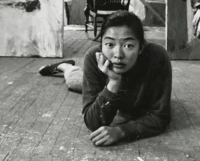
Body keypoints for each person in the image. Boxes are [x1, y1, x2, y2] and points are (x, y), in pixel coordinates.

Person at [39, 10, 172, 146]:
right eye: (110, 44)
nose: (118, 54)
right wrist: (113, 82)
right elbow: (93, 122)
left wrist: (122, 131)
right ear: (101, 44)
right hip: (105, 83)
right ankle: (65, 67)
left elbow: (160, 116)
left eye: (128, 45)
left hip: (129, 94)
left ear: (141, 47)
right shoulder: (93, 57)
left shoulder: (157, 57)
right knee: (74, 81)